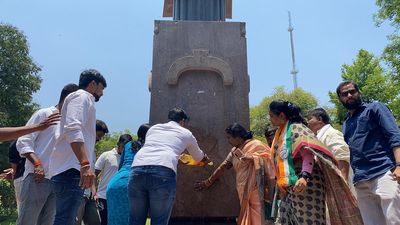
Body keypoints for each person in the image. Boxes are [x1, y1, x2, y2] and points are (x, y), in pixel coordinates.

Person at [268, 100, 363, 225]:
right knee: (286, 219)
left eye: (271, 115)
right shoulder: (280, 132)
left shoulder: (297, 128)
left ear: (281, 116)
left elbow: (308, 155)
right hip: (291, 184)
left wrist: (304, 177)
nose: (270, 119)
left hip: (305, 182)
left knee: (307, 220)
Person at [128, 108, 210, 225]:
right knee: (159, 221)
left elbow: (158, 146)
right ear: (183, 121)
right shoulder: (186, 133)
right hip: (162, 171)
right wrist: (206, 160)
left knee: (135, 220)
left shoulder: (154, 128)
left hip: (137, 169)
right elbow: (198, 157)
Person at [337, 81, 400, 225]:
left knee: (394, 220)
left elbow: (395, 136)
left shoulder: (375, 108)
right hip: (361, 180)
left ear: (359, 93)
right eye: (345, 94)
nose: (349, 95)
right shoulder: (346, 123)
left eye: (352, 91)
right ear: (340, 99)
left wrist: (399, 165)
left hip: (384, 172)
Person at [49, 69, 107, 225]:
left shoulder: (82, 99)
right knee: (65, 219)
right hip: (71, 170)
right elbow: (73, 128)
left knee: (65, 218)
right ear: (93, 84)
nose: (102, 93)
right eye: (101, 88)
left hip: (71, 170)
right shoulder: (82, 96)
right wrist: (85, 164)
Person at [15, 83, 79, 225]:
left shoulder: (70, 123)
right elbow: (23, 141)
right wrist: (37, 164)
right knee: (28, 221)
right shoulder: (45, 114)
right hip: (37, 178)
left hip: (58, 181)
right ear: (68, 99)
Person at [195, 123, 275, 225]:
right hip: (243, 190)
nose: (228, 141)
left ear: (238, 136)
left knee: (260, 217)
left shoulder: (256, 145)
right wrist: (208, 182)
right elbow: (223, 166)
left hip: (257, 190)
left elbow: (270, 160)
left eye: (229, 138)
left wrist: (252, 158)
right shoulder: (234, 151)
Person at [107, 124, 150, 225]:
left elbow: (120, 166)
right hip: (133, 185)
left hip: (115, 184)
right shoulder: (149, 148)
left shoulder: (128, 145)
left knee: (115, 221)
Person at [75, 119, 110, 225]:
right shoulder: (78, 148)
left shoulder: (92, 153)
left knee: (95, 222)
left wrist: (94, 192)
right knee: (76, 221)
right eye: (98, 135)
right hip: (78, 193)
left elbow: (93, 174)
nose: (99, 139)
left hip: (90, 196)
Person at [95, 133, 133, 225]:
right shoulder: (106, 155)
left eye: (126, 147)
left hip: (121, 197)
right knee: (104, 222)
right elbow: (94, 174)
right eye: (122, 146)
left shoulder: (131, 159)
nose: (124, 150)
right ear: (118, 144)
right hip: (104, 196)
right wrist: (95, 193)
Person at [307, 108, 351, 181]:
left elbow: (342, 157)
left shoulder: (331, 134)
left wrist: (343, 183)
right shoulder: (321, 136)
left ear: (320, 119)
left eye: (310, 119)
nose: (308, 123)